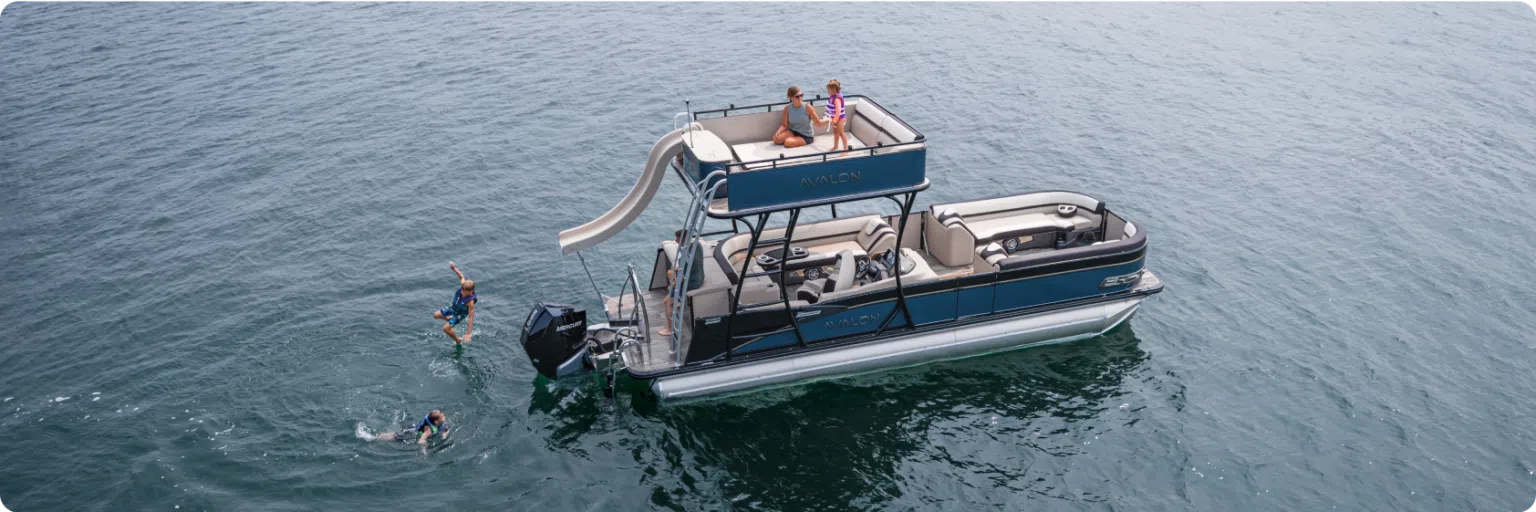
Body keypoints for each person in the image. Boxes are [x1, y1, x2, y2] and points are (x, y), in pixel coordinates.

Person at [432, 261, 477, 344]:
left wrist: (468, 333)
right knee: (435, 315)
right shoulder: (464, 286)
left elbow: (471, 317)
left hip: (460, 314)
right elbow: (461, 277)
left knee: (445, 329)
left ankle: (458, 340)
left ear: (471, 292)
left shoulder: (470, 302)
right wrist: (454, 268)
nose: (462, 293)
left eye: (464, 292)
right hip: (454, 308)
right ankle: (451, 320)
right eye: (462, 290)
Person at [366, 410, 449, 446]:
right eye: (443, 417)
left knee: (396, 434)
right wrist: (424, 449)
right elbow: (420, 441)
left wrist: (444, 435)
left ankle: (379, 435)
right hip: (411, 434)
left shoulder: (437, 423)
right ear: (436, 422)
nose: (445, 417)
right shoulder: (428, 430)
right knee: (394, 437)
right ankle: (373, 437)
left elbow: (445, 429)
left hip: (412, 428)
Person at [824, 79, 848, 152]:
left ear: (833, 90)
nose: (828, 92)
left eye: (829, 91)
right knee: (836, 133)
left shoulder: (836, 99)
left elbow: (838, 112)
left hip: (839, 118)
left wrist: (834, 120)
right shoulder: (833, 97)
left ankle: (845, 149)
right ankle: (835, 146)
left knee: (841, 133)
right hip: (834, 117)